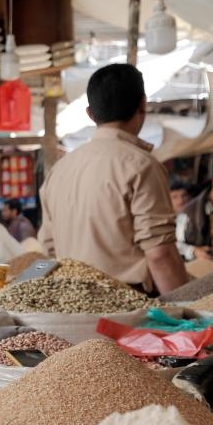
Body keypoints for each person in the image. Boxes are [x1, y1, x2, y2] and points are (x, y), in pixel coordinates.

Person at [38, 63, 187, 295]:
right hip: (128, 309)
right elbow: (160, 254)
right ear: (143, 104)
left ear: (90, 114)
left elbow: (48, 251)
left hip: (69, 303)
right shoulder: (141, 165)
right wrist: (188, 315)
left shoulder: (58, 170)